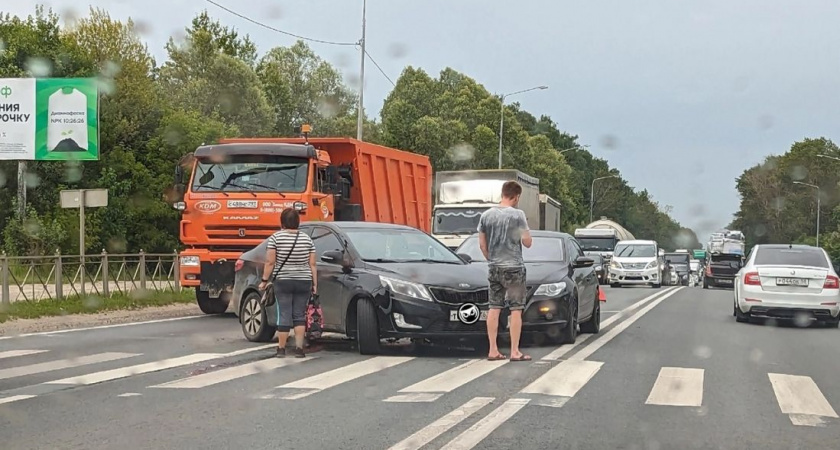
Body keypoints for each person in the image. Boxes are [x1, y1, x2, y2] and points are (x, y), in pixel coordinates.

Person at [477, 180, 533, 362]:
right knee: (516, 309)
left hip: (494, 267)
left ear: (502, 194)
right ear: (516, 197)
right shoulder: (518, 215)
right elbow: (527, 242)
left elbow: (482, 245)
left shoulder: (486, 216)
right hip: (514, 268)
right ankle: (515, 351)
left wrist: (492, 259)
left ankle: (493, 350)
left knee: (494, 308)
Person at [259, 208, 317, 358]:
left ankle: (281, 349)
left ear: (282, 222)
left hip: (283, 280)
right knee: (299, 314)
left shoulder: (275, 238)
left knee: (284, 313)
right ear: (298, 222)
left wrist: (264, 281)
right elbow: (313, 264)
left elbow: (270, 261)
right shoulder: (307, 239)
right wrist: (315, 284)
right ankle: (299, 349)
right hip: (304, 280)